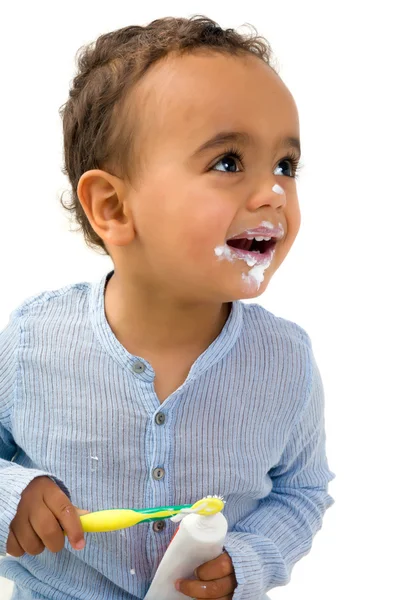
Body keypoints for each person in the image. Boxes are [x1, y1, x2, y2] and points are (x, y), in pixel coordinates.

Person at [0, 15, 336, 600]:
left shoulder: (285, 360)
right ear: (113, 207)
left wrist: (248, 559)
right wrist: (13, 497)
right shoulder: (33, 341)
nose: (273, 193)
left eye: (286, 165)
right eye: (228, 162)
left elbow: (302, 492)